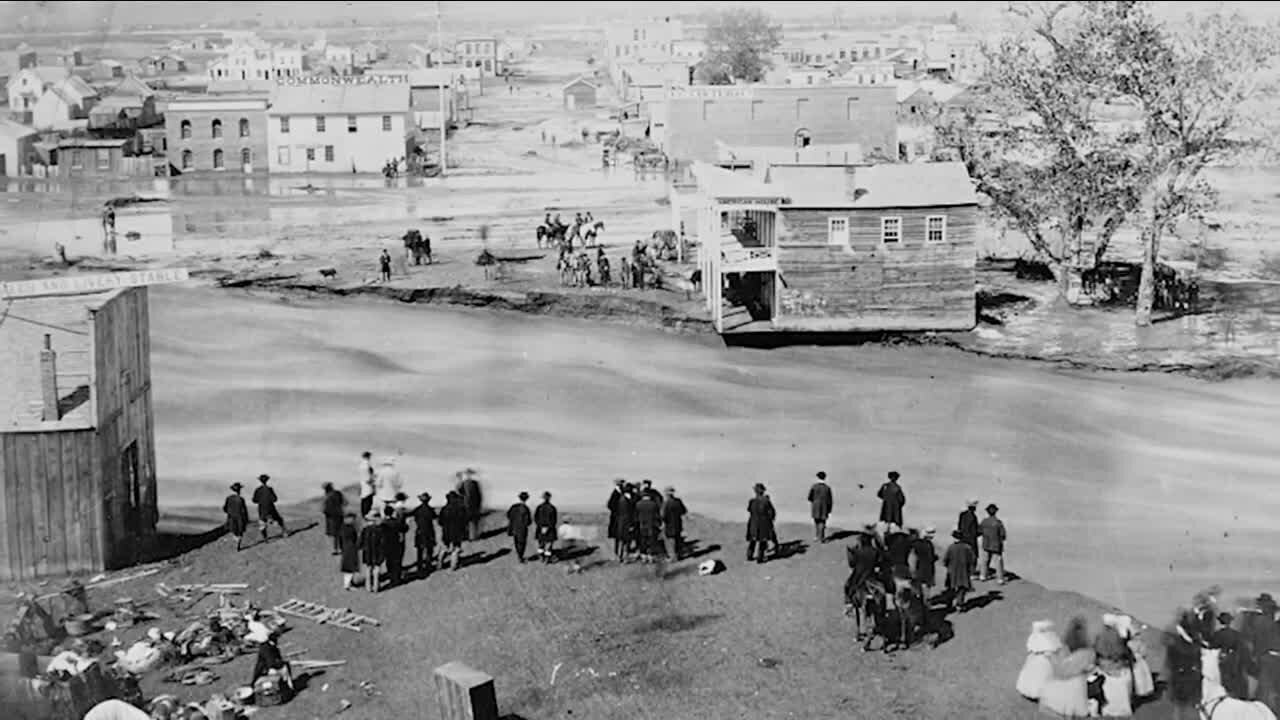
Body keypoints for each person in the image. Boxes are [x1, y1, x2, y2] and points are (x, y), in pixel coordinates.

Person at [1039, 617, 1095, 718]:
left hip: (1062, 682)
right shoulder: (1088, 652)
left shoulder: (1063, 648)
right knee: (1073, 705)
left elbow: (1059, 669)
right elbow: (1090, 667)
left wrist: (1051, 658)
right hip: (1078, 682)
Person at [1210, 611, 1255, 700]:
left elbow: (1212, 649)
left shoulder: (1217, 635)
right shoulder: (1237, 634)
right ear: (1230, 622)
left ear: (1220, 622)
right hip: (1236, 664)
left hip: (1222, 664)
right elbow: (1244, 652)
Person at [1017, 620, 1062, 701]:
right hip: (1044, 662)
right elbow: (1050, 650)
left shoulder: (1035, 638)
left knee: (1034, 676)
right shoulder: (1046, 638)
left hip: (1037, 661)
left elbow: (1031, 648)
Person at [942, 529, 975, 612]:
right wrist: (971, 569)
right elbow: (973, 560)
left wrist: (947, 566)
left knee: (950, 588)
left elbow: (945, 560)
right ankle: (959, 604)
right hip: (964, 571)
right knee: (962, 588)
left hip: (952, 571)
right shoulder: (967, 547)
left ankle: (949, 604)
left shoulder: (951, 547)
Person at [745, 483, 776, 564]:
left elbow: (749, 510)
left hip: (753, 522)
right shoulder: (766, 501)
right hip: (763, 522)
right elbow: (772, 512)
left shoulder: (752, 501)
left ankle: (749, 555)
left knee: (753, 540)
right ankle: (760, 557)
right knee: (763, 541)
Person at [251, 474, 287, 542]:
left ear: (260, 481)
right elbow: (275, 499)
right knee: (279, 519)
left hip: (262, 509)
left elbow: (254, 500)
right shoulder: (270, 489)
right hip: (271, 508)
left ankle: (265, 538)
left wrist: (260, 500)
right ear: (267, 481)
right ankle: (284, 532)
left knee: (262, 523)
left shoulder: (257, 490)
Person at [438, 491, 468, 571]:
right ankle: (453, 565)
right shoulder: (460, 508)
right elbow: (465, 520)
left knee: (444, 547)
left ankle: (439, 563)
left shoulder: (444, 509)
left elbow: (440, 521)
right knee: (456, 548)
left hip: (446, 532)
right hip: (457, 532)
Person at [381, 496, 407, 588]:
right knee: (396, 562)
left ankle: (391, 577)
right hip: (396, 544)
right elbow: (405, 528)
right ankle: (396, 579)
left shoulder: (383, 523)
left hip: (386, 545)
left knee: (389, 562)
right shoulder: (396, 522)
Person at [979, 503, 1007, 584]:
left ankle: (983, 575)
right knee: (998, 561)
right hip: (996, 545)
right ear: (995, 512)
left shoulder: (984, 522)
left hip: (986, 544)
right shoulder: (998, 522)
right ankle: (1000, 578)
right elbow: (1003, 535)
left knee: (985, 560)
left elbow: (979, 531)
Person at [359, 511, 385, 593]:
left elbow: (360, 542)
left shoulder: (365, 530)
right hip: (377, 551)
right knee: (377, 569)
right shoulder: (380, 529)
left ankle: (368, 586)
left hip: (367, 551)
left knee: (368, 569)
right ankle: (376, 586)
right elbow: (383, 542)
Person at [412, 492, 437, 576]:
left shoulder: (417, 510)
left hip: (419, 531)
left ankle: (420, 567)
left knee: (420, 550)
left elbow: (415, 519)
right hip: (429, 531)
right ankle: (428, 566)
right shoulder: (430, 510)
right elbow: (434, 517)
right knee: (429, 550)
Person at [634, 488, 661, 563]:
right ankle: (651, 556)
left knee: (643, 541)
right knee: (652, 541)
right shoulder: (653, 504)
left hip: (642, 525)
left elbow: (636, 516)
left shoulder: (638, 504)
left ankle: (643, 556)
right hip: (651, 525)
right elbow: (657, 516)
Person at [661, 486, 688, 560]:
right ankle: (679, 555)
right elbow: (684, 511)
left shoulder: (666, 503)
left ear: (666, 494)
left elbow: (663, 515)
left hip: (669, 524)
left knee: (670, 542)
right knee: (678, 539)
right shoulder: (678, 501)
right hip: (678, 523)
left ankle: (673, 557)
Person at [222, 482, 250, 552]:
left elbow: (225, 508)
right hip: (239, 518)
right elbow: (244, 510)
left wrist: (230, 512)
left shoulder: (228, 498)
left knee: (234, 531)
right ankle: (238, 545)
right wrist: (246, 520)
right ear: (240, 490)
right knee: (240, 532)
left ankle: (236, 543)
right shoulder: (241, 499)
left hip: (231, 518)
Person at [910, 527, 938, 594]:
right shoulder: (929, 544)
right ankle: (925, 601)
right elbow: (932, 557)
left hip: (920, 568)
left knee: (919, 587)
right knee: (926, 587)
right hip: (928, 569)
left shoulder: (915, 544)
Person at [807, 471, 833, 544]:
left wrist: (814, 501)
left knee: (816, 521)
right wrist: (829, 509)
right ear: (825, 478)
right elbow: (830, 500)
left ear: (817, 477)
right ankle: (822, 537)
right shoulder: (827, 488)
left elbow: (809, 497)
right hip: (824, 506)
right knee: (822, 521)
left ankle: (817, 536)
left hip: (815, 506)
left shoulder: (814, 486)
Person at [507, 492, 533, 563]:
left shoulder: (514, 506)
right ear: (527, 499)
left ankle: (519, 555)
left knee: (516, 542)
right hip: (522, 530)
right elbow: (528, 522)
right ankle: (520, 557)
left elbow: (508, 515)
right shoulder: (526, 509)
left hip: (514, 528)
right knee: (522, 543)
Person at [458, 471, 484, 541]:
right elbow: (460, 492)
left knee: (471, 522)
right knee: (470, 522)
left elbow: (460, 492)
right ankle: (472, 536)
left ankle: (472, 536)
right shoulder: (469, 483)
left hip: (470, 505)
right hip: (469, 505)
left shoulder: (470, 483)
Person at [321, 482, 346, 555]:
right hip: (339, 514)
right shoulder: (338, 493)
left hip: (332, 517)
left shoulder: (328, 496)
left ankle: (335, 549)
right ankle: (341, 548)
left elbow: (326, 508)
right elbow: (343, 502)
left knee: (335, 534)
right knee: (340, 533)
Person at [956, 499, 980, 575]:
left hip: (963, 538)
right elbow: (974, 531)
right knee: (973, 556)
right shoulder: (973, 517)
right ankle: (971, 572)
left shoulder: (962, 515)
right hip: (971, 540)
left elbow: (959, 527)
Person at [534, 492, 558, 564]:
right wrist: (548, 528)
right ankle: (547, 559)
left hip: (540, 529)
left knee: (541, 544)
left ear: (543, 498)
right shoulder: (552, 508)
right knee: (549, 546)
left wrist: (541, 527)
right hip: (550, 529)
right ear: (550, 498)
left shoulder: (539, 507)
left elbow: (536, 518)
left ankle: (541, 557)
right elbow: (554, 520)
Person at [338, 513, 359, 590]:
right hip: (350, 549)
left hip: (345, 549)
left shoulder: (342, 528)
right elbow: (355, 539)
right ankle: (347, 585)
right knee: (350, 567)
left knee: (348, 567)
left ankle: (349, 582)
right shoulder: (350, 529)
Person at [607, 479, 626, 561]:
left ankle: (619, 554)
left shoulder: (620, 493)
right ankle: (617, 555)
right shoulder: (616, 493)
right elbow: (610, 505)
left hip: (618, 518)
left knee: (620, 537)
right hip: (616, 518)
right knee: (618, 537)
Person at [358, 451, 376, 518]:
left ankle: (364, 515)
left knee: (363, 502)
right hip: (368, 487)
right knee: (368, 503)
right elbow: (368, 478)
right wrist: (374, 485)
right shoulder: (367, 465)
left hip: (363, 486)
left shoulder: (361, 465)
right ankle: (366, 516)